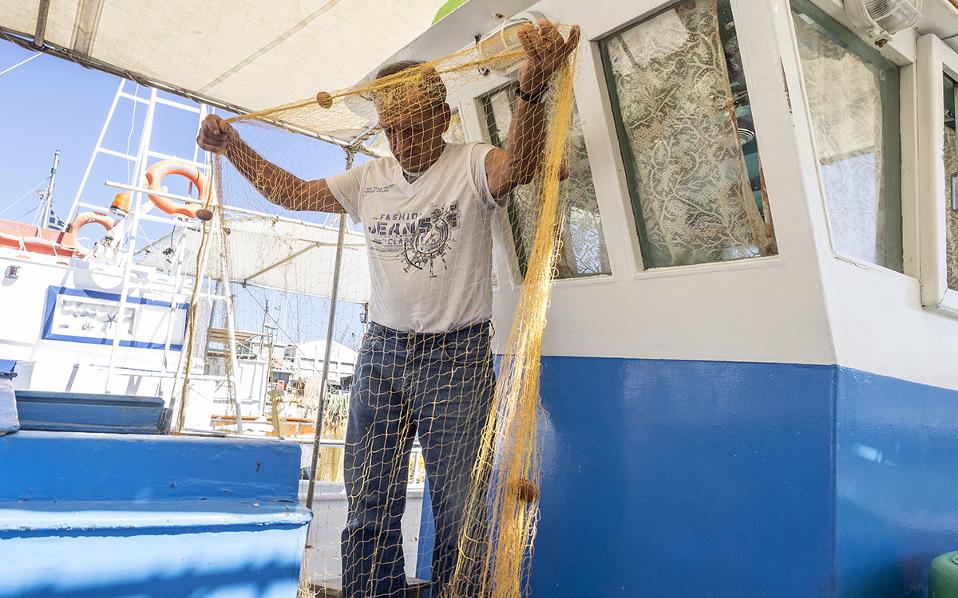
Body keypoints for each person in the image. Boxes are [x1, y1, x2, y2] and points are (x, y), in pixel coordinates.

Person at [197, 19, 579, 597]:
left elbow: (519, 167)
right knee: (369, 505)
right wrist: (233, 146)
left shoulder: (473, 163)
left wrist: (530, 87)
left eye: (414, 126)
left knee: (459, 512)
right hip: (382, 353)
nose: (401, 142)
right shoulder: (368, 179)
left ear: (443, 117)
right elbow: (289, 193)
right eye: (391, 130)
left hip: (456, 355)